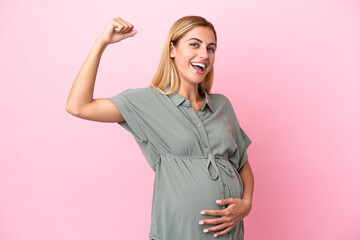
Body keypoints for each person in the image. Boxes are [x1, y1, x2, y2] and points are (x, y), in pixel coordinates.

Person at [66, 16, 254, 240]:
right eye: (194, 44)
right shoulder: (147, 102)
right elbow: (78, 106)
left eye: (210, 48)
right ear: (172, 49)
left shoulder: (222, 105)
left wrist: (247, 204)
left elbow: (241, 163)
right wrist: (101, 43)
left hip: (229, 233)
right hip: (177, 232)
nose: (204, 54)